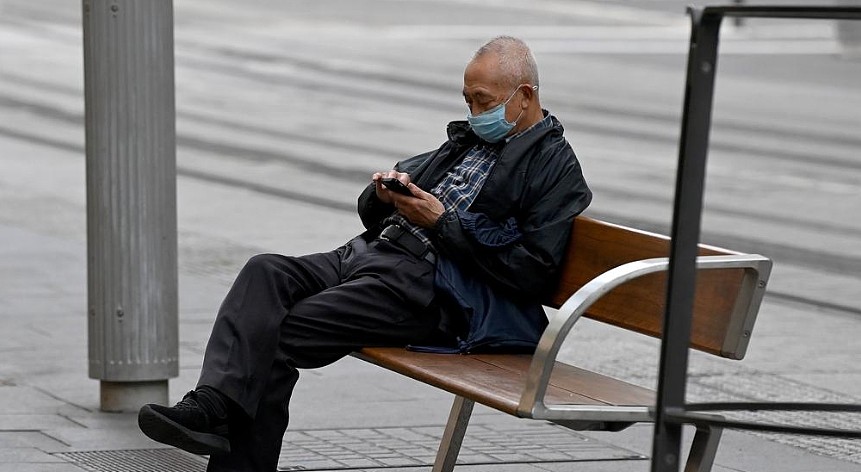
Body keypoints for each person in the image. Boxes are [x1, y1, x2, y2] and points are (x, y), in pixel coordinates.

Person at [138, 36, 591, 471]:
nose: (474, 113)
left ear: (525, 95)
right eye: (468, 100)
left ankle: (221, 421)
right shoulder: (468, 142)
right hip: (372, 256)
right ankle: (217, 406)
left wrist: (441, 221)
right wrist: (385, 194)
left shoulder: (556, 168)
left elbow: (533, 272)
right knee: (265, 272)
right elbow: (372, 209)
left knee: (271, 335)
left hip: (430, 291)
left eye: (483, 101)